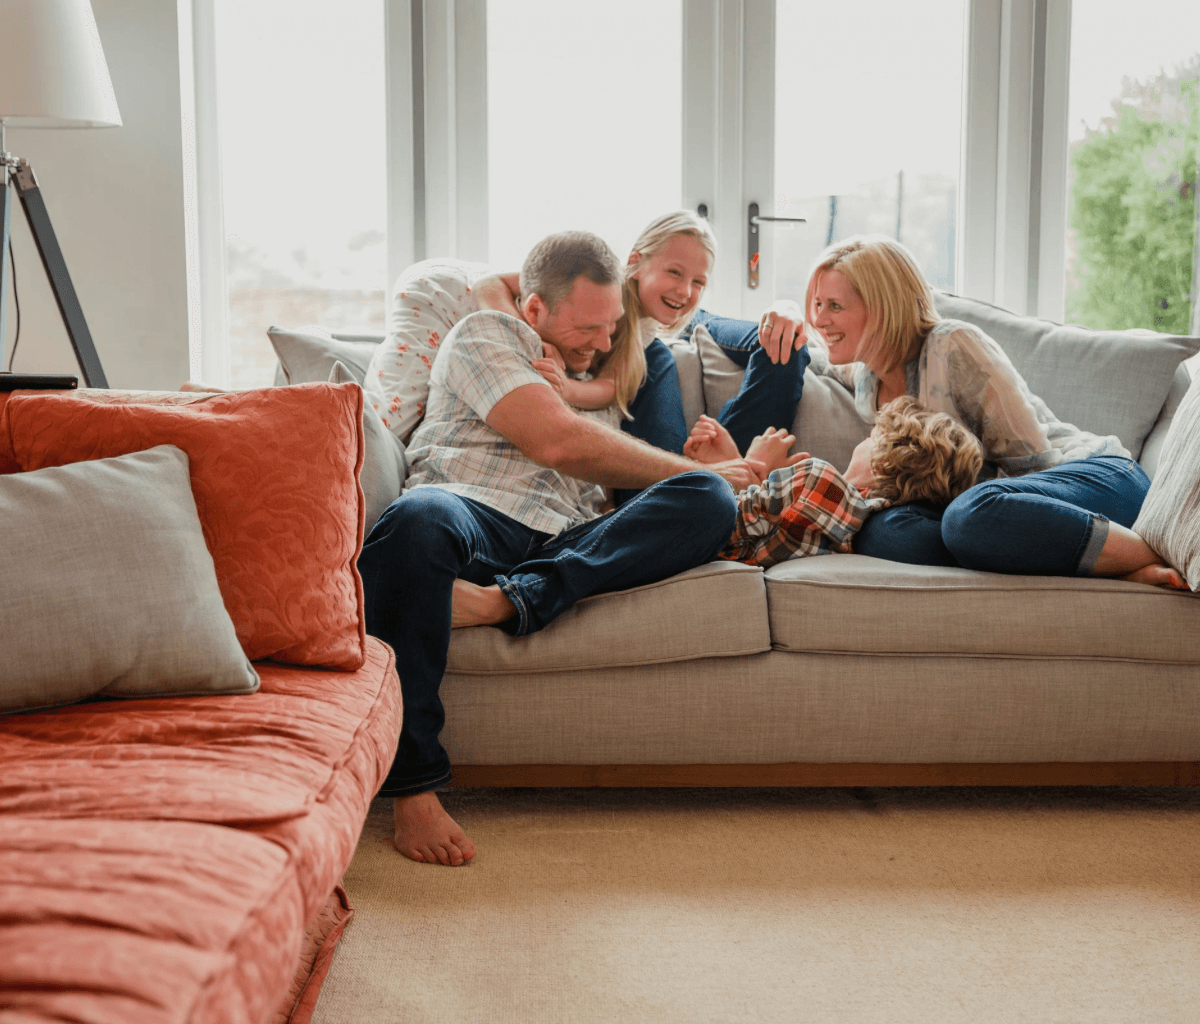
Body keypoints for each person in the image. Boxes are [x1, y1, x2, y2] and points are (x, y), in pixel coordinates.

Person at [358, 231, 767, 868]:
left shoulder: (600, 378)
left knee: (707, 503)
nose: (601, 346)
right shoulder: (484, 336)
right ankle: (413, 787)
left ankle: (504, 604)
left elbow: (615, 469)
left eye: (611, 330)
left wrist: (708, 475)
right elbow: (559, 445)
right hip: (471, 511)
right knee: (415, 519)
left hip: (563, 541)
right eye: (587, 329)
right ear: (534, 311)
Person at [758, 234, 1185, 588]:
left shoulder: (952, 345)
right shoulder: (866, 373)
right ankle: (1071, 558)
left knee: (967, 517)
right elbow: (807, 351)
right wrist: (786, 311)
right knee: (883, 533)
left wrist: (952, 502)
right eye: (816, 304)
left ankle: (1137, 556)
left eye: (834, 306)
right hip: (998, 512)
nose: (820, 320)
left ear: (883, 306)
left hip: (1090, 479)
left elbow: (1033, 463)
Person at [474, 211, 811, 468]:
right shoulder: (597, 286)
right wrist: (525, 337)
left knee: (787, 343)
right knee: (659, 356)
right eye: (674, 272)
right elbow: (490, 285)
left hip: (664, 348)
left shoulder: (648, 336)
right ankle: (719, 480)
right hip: (647, 360)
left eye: (698, 282)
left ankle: (728, 468)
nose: (685, 290)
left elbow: (612, 385)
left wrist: (787, 307)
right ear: (635, 261)